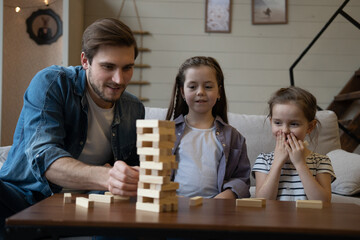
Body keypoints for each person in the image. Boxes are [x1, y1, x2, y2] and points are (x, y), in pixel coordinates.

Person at [0, 18, 144, 232]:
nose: (119, 79)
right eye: (108, 67)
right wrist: (108, 176)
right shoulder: (52, 83)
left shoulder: (134, 108)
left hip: (87, 205)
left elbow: (132, 171)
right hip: (26, 197)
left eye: (127, 68)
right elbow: (44, 155)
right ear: (85, 61)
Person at [166, 56, 251, 199]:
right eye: (192, 87)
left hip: (216, 210)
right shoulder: (167, 132)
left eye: (208, 87)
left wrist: (223, 199)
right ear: (182, 92)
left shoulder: (234, 137)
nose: (200, 92)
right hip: (175, 207)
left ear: (219, 92)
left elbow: (242, 179)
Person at [252, 86, 336, 201]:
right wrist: (277, 162)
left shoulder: (321, 162)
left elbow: (324, 202)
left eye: (294, 124)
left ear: (310, 127)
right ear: (271, 122)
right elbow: (262, 201)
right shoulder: (264, 160)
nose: (285, 130)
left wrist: (300, 164)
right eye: (278, 122)